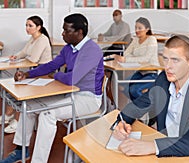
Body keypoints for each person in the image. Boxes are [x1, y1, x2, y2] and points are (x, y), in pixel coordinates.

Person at [0, 13, 104, 163]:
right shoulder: (69, 48)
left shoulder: (91, 50)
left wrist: (55, 76)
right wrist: (27, 74)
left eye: (66, 31)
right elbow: (51, 66)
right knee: (28, 106)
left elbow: (72, 79)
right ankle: (21, 150)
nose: (62, 33)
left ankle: (38, 161)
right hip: (68, 93)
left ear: (79, 32)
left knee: (47, 114)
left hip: (88, 98)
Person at [112, 35, 189, 163]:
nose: (168, 66)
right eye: (165, 59)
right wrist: (122, 122)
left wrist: (154, 146)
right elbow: (137, 106)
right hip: (169, 155)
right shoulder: (163, 81)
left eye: (175, 60)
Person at [0, 15, 52, 134]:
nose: (27, 28)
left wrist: (20, 61)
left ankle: (18, 121)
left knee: (21, 89)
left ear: (39, 27)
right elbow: (24, 52)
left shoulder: (42, 39)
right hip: (34, 70)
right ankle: (9, 115)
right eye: (26, 25)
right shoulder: (33, 38)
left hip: (43, 72)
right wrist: (16, 57)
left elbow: (34, 59)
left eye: (30, 26)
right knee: (14, 85)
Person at [111, 17, 159, 101]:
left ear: (147, 29)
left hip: (152, 73)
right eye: (136, 28)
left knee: (134, 90)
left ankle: (145, 107)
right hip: (140, 72)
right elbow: (126, 53)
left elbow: (146, 59)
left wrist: (127, 59)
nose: (137, 30)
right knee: (123, 86)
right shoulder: (136, 40)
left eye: (140, 28)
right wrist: (133, 58)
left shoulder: (152, 40)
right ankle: (137, 108)